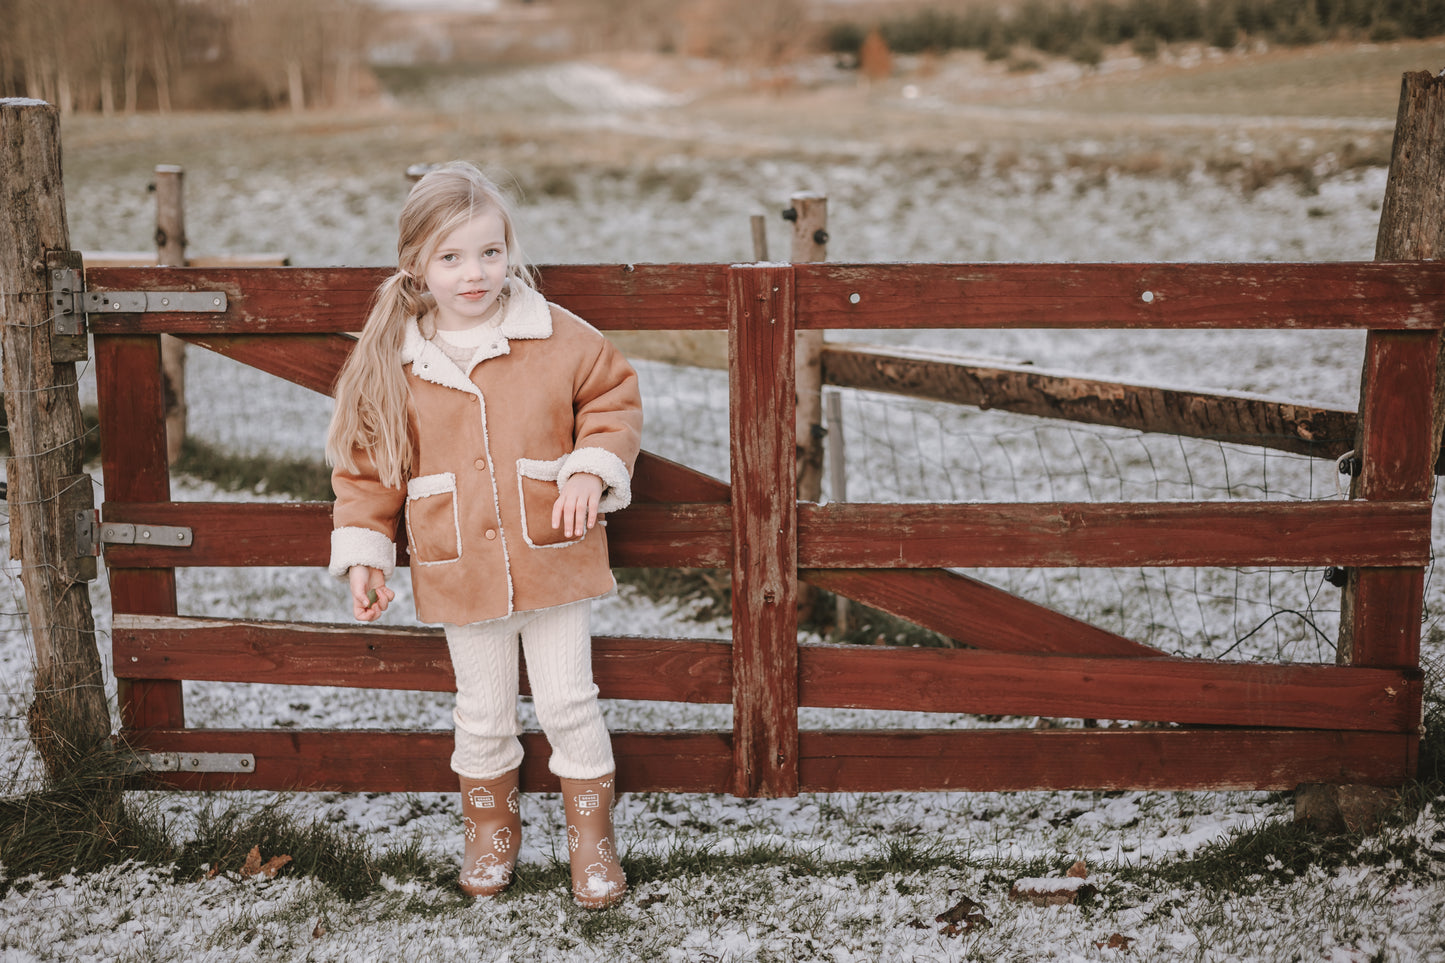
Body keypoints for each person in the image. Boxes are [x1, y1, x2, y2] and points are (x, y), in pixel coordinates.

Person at [325, 161, 641, 909]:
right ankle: (490, 835)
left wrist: (586, 471)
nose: (475, 273)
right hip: (457, 564)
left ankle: (591, 843)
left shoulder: (557, 335)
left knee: (570, 703)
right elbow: (368, 469)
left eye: (490, 252)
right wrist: (364, 554)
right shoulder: (397, 360)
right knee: (481, 712)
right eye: (452, 257)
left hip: (555, 556)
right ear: (416, 265)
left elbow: (612, 396)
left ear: (510, 251)